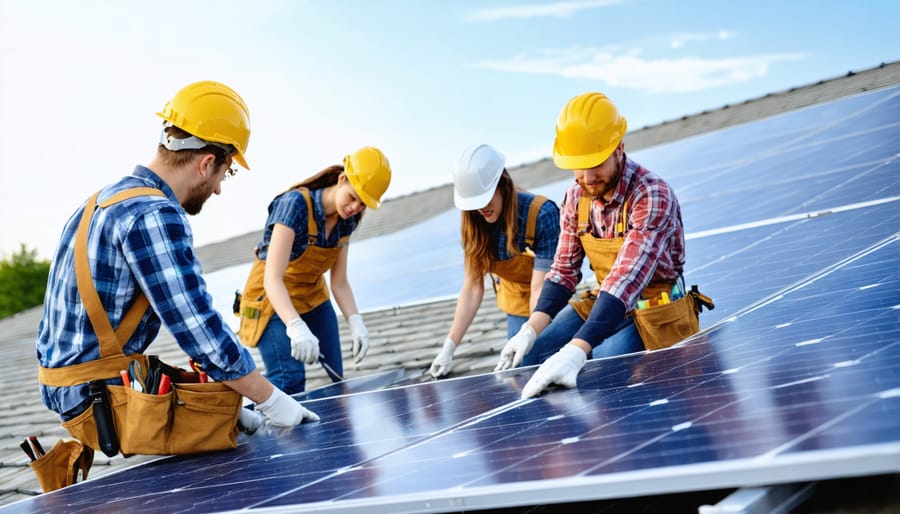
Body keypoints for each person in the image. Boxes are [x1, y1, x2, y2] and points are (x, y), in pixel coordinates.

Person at [35, 81, 318, 455]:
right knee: (251, 463)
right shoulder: (154, 214)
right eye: (225, 174)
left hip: (67, 384)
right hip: (93, 398)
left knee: (226, 413)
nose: (218, 189)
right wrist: (269, 399)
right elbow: (197, 327)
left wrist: (230, 397)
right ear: (205, 164)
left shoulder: (105, 199)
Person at [494, 91, 688, 399]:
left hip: (654, 305)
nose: (586, 177)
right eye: (578, 166)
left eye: (595, 163)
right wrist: (530, 329)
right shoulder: (575, 197)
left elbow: (626, 280)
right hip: (605, 301)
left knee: (604, 365)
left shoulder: (651, 195)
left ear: (619, 148)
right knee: (531, 358)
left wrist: (576, 350)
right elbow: (563, 272)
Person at [236, 146, 390, 394]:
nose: (355, 208)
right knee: (290, 380)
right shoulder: (294, 205)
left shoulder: (346, 220)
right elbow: (272, 280)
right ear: (342, 180)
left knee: (337, 376)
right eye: (352, 197)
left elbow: (339, 282)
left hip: (312, 297)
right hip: (271, 301)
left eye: (363, 205)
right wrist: (295, 326)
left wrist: (356, 321)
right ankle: (254, 416)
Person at [428, 144, 560, 378]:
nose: (481, 208)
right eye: (474, 203)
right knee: (521, 369)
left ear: (503, 185)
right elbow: (472, 288)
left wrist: (529, 332)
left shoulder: (541, 214)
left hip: (548, 298)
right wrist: (449, 346)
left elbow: (541, 287)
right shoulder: (473, 225)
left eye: (486, 198)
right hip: (514, 302)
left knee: (548, 357)